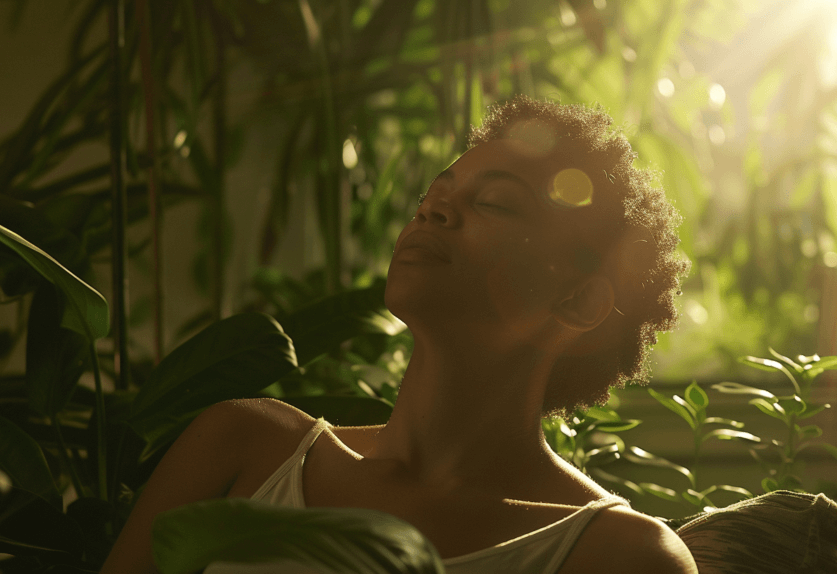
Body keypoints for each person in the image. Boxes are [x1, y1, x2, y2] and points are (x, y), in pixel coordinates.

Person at [100, 95, 696, 574]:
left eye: (494, 203)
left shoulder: (622, 555)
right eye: (434, 195)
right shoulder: (244, 444)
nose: (434, 211)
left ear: (580, 298)